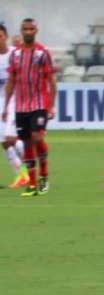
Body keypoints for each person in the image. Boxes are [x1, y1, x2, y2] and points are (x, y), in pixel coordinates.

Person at [2, 18, 56, 197]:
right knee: (25, 142)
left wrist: (51, 106)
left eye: (31, 29)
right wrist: (6, 106)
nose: (28, 32)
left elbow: (52, 80)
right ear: (21, 30)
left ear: (36, 31)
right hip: (20, 105)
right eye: (25, 29)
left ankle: (44, 176)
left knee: (36, 137)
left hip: (39, 103)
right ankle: (31, 183)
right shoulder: (16, 54)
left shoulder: (43, 52)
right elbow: (11, 81)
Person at [0, 23, 27, 188]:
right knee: (3, 140)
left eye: (0, 37)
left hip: (14, 99)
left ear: (6, 37)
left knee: (11, 138)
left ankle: (29, 160)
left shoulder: (14, 54)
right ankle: (22, 174)